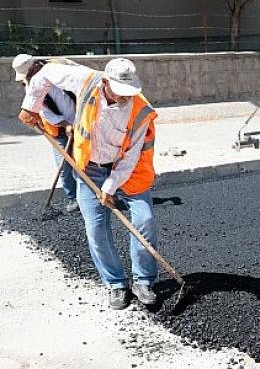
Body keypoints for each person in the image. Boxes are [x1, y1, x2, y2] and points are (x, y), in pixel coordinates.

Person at [18, 58, 160, 309]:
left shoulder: (140, 110)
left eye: (128, 93)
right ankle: (116, 284)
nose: (124, 98)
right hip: (90, 168)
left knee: (144, 219)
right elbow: (45, 73)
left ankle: (144, 281)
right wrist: (31, 106)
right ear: (105, 82)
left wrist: (110, 187)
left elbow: (130, 157)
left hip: (130, 169)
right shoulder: (84, 79)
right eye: (119, 92)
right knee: (95, 228)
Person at [12, 54, 79, 213]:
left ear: (34, 67)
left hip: (82, 121)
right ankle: (73, 198)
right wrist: (66, 125)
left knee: (87, 162)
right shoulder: (32, 87)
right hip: (58, 128)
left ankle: (93, 196)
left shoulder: (58, 69)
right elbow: (45, 113)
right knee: (64, 165)